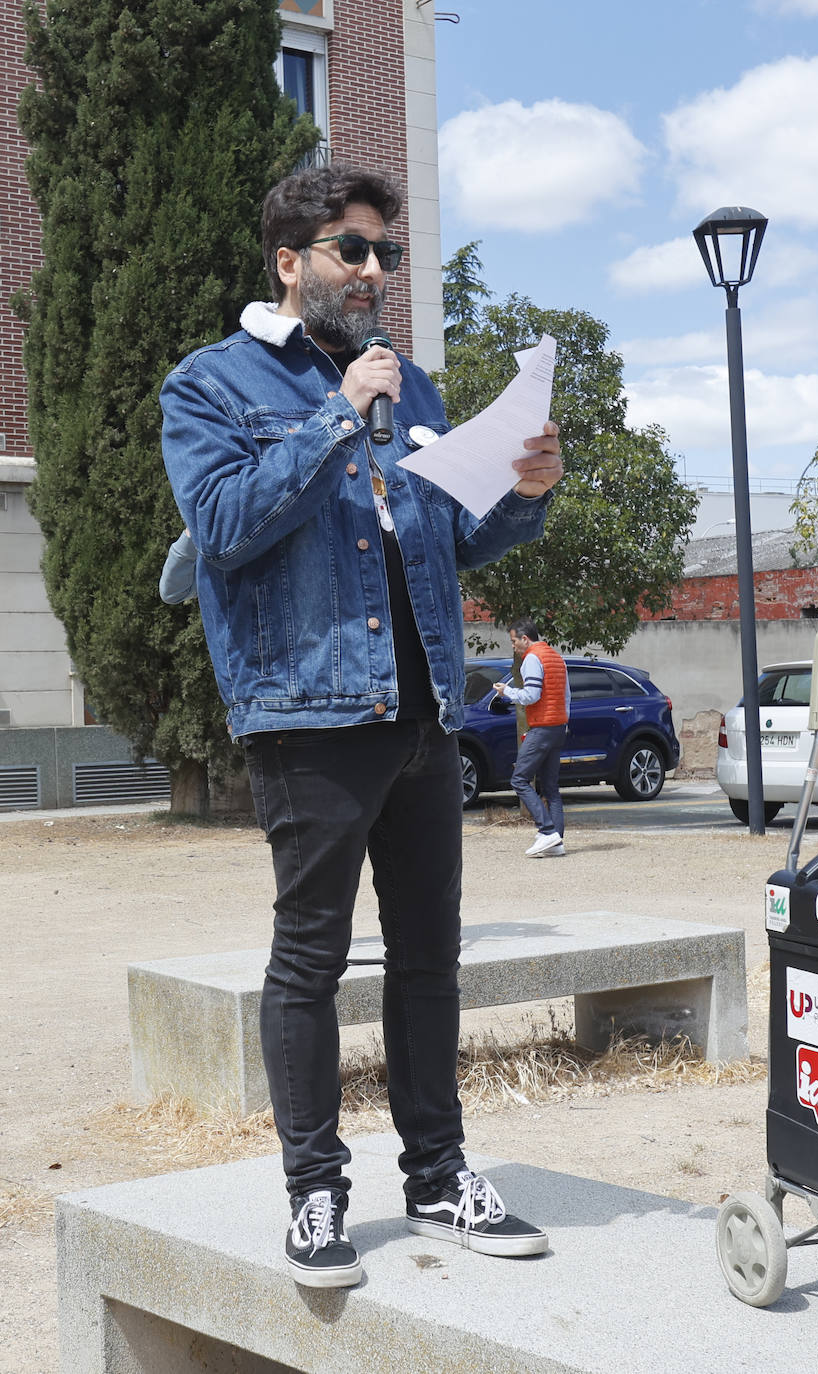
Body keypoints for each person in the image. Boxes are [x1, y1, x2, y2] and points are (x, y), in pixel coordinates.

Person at [159, 163, 563, 1289]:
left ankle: (437, 1179)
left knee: (431, 958)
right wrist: (338, 418)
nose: (376, 271)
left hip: (429, 709)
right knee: (310, 961)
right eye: (352, 248)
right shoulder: (211, 385)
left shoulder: (416, 389)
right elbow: (228, 527)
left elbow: (448, 540)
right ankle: (314, 1193)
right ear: (291, 263)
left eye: (386, 251)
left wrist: (524, 492)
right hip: (310, 714)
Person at [493, 619, 570, 857]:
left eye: (514, 641)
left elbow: (531, 695)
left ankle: (547, 832)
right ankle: (556, 842)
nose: (513, 646)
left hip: (542, 727)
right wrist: (564, 723)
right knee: (551, 787)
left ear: (525, 638)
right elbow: (567, 695)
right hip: (558, 726)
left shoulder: (532, 658)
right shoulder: (556, 657)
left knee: (519, 779)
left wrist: (506, 692)